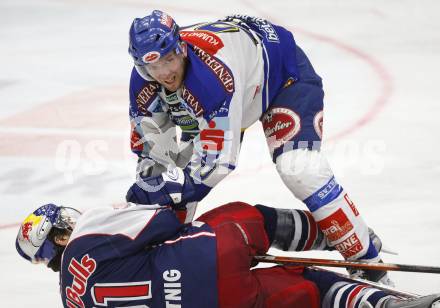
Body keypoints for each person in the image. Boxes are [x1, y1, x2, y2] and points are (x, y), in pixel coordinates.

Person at [126, 10, 387, 282]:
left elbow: (215, 165)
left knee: (300, 169)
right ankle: (162, 265)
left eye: (169, 60)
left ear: (181, 48)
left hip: (281, 78)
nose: (165, 73)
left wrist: (164, 192)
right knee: (170, 182)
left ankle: (369, 262)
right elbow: (154, 155)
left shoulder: (211, 79)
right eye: (153, 68)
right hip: (231, 89)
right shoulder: (143, 81)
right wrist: (148, 198)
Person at [15, 201, 439, 308]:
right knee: (244, 217)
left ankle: (382, 304)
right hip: (209, 254)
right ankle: (331, 233)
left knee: (308, 285)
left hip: (220, 303)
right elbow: (169, 217)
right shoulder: (89, 234)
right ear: (62, 231)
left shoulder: (73, 301)